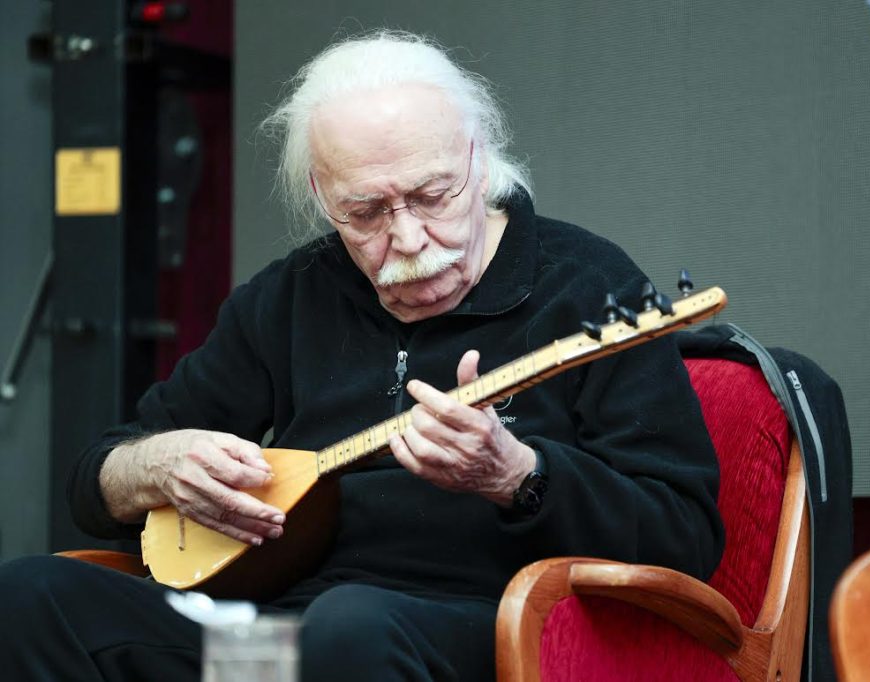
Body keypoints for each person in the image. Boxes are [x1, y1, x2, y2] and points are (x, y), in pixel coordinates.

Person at [0, 30, 723, 681]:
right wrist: (154, 465)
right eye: (366, 213)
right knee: (32, 597)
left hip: (494, 645)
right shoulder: (290, 296)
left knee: (350, 630)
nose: (407, 239)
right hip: (276, 652)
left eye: (433, 195)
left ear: (479, 161)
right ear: (323, 196)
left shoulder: (589, 287)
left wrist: (519, 477)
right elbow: (94, 484)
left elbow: (685, 537)